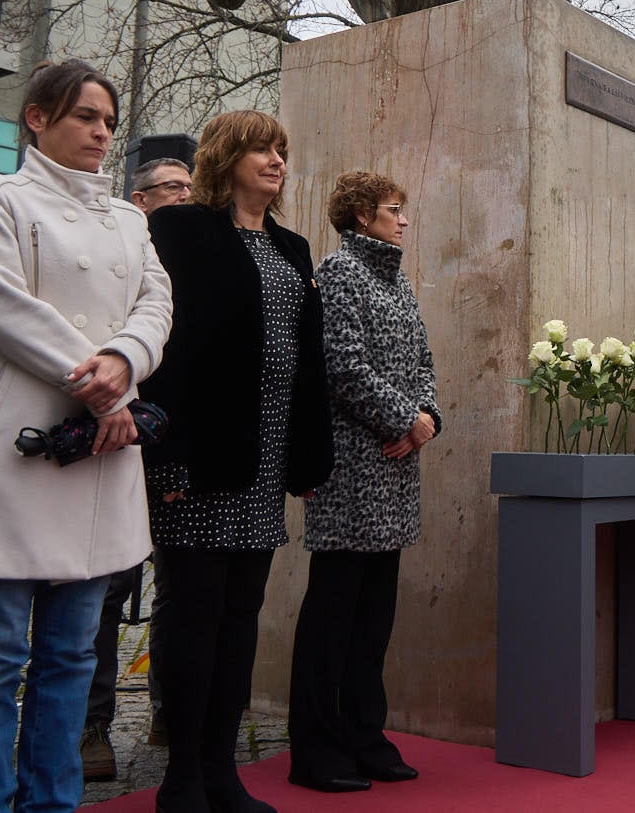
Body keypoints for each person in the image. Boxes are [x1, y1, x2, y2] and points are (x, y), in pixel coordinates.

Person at [0, 59, 174, 811]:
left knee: (70, 651)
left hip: (99, 449)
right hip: (14, 444)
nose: (101, 132)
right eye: (86, 116)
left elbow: (156, 305)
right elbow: (2, 305)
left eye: (107, 119)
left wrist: (122, 363)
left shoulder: (129, 218)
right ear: (36, 117)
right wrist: (100, 386)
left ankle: (52, 801)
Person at [140, 111, 328, 812]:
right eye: (261, 147)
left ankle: (222, 770)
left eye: (282, 148)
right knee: (193, 617)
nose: (276, 159)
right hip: (200, 456)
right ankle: (181, 777)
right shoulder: (182, 231)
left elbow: (308, 363)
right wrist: (169, 460)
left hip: (267, 454)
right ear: (227, 155)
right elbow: (168, 352)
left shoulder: (293, 246)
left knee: (241, 619)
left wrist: (309, 457)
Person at [288, 171, 439, 793]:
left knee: (375, 618)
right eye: (392, 209)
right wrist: (407, 420)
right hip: (353, 467)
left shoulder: (397, 278)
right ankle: (317, 749)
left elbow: (424, 361)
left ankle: (364, 735)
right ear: (359, 216)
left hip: (396, 464)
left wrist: (426, 420)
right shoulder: (341, 274)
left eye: (402, 210)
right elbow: (343, 368)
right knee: (334, 616)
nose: (402, 220)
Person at [84, 155, 196, 777]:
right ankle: (92, 723)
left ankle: (168, 710)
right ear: (141, 198)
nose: (185, 195)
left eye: (190, 186)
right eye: (173, 187)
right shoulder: (120, 251)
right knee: (106, 591)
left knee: (176, 588)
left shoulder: (200, 255)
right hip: (113, 435)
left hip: (174, 449)